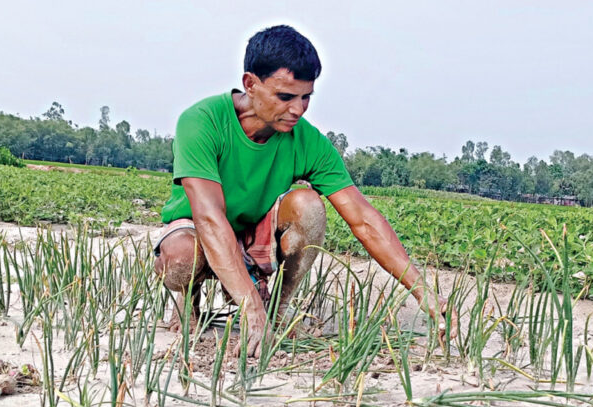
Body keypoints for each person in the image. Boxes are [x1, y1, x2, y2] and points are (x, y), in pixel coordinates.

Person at [154, 25, 457, 357]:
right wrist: (249, 310)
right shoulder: (202, 121)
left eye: (306, 97)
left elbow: (363, 219)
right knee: (182, 256)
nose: (297, 109)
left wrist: (422, 289)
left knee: (308, 206)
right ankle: (189, 300)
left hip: (253, 236)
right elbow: (210, 220)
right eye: (285, 97)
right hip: (199, 232)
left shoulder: (307, 140)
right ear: (250, 84)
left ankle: (277, 310)